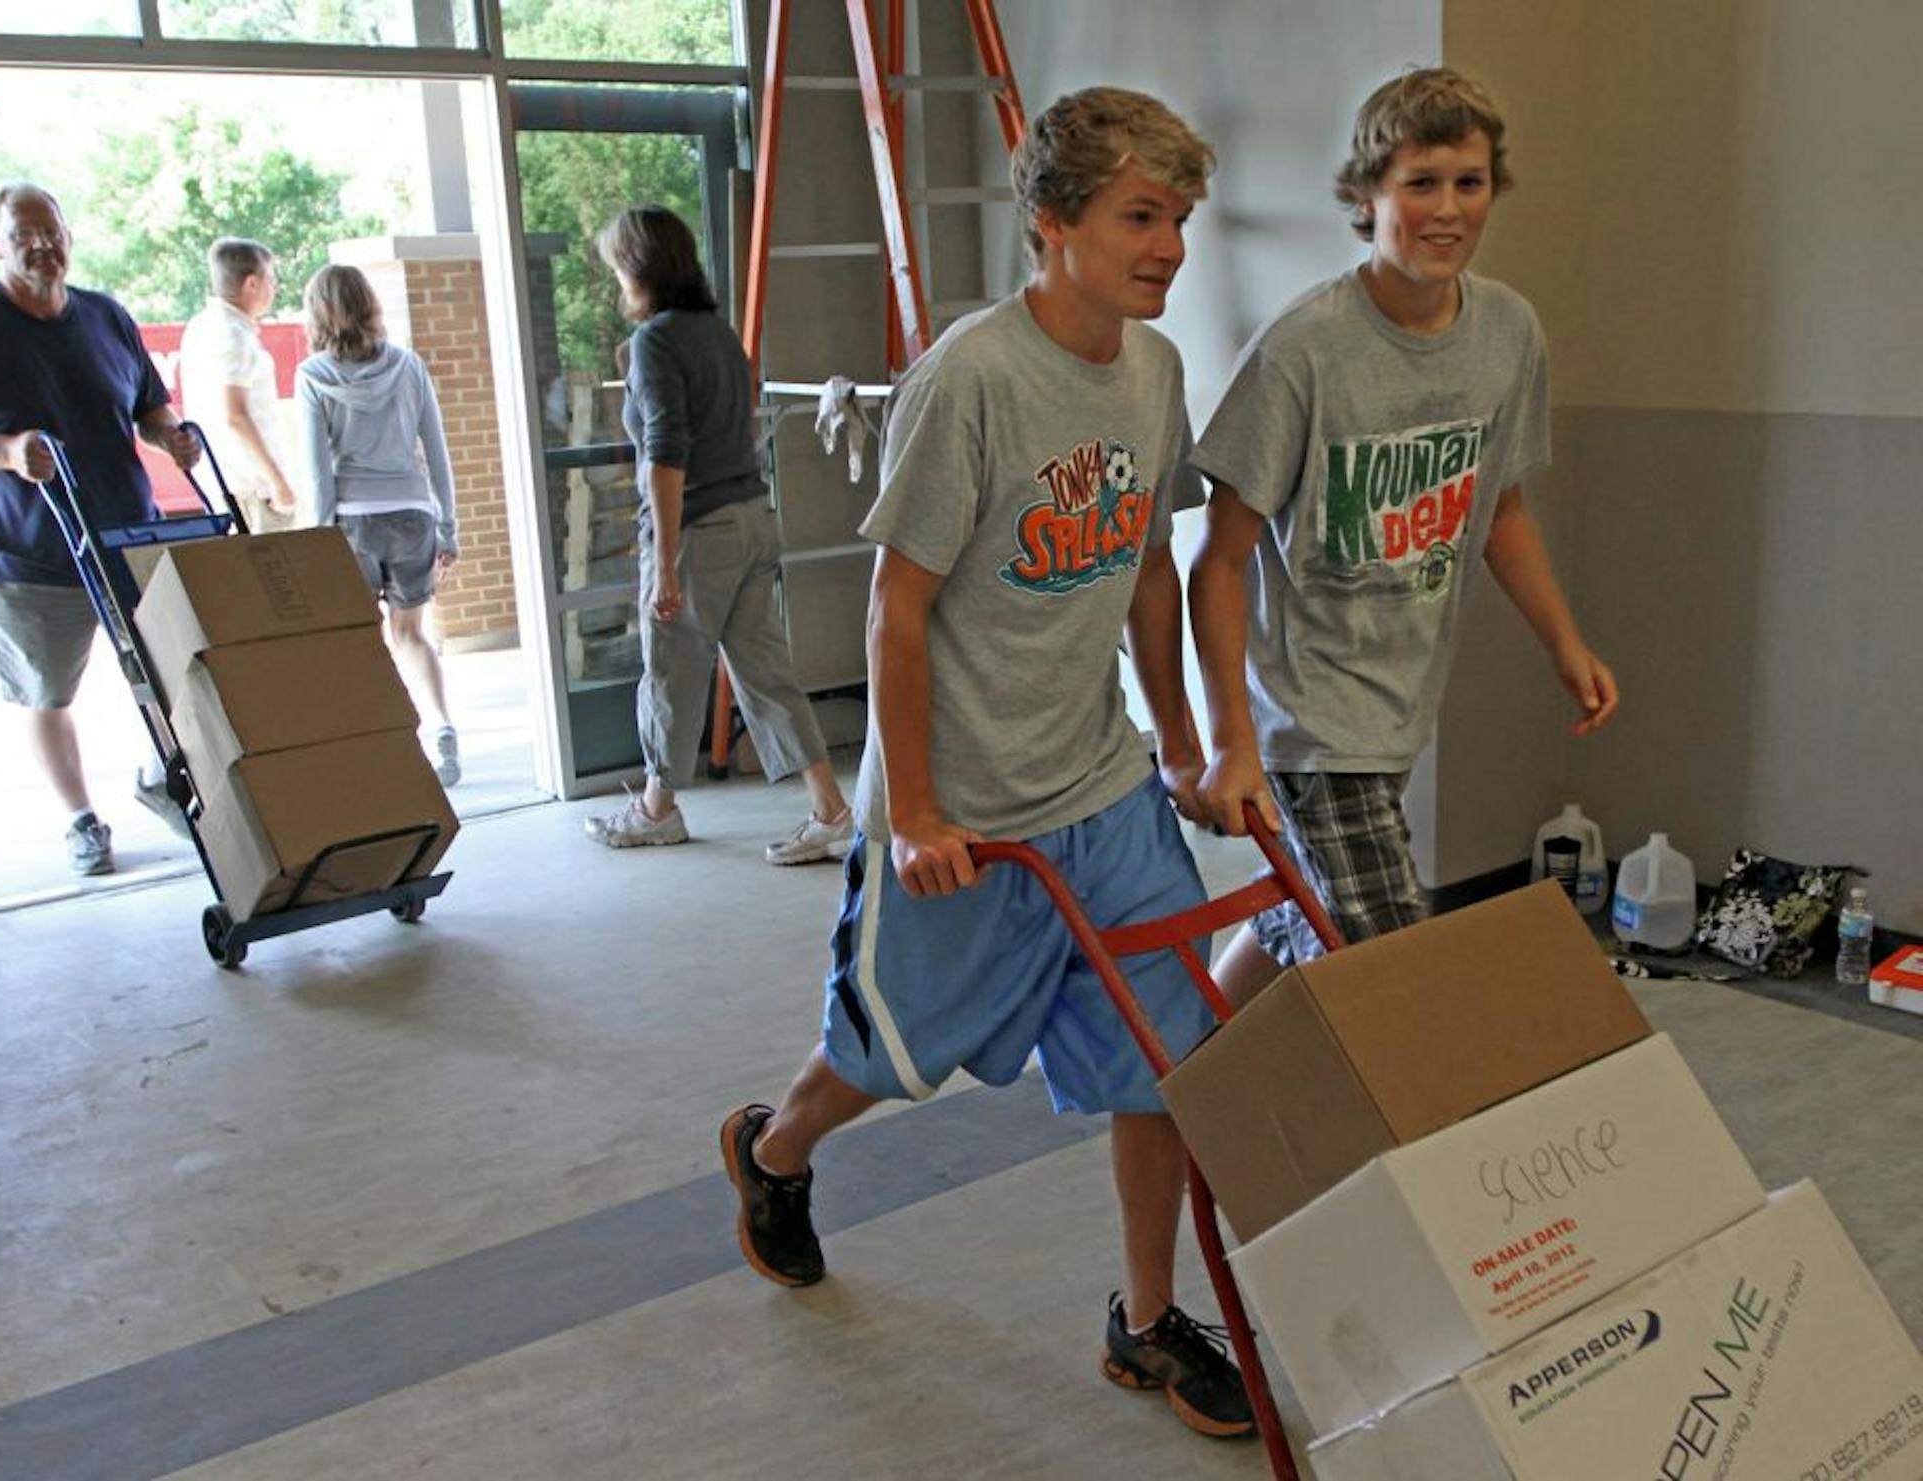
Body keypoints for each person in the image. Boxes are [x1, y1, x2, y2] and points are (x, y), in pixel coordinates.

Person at [719, 90, 1255, 1441]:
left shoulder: (1154, 372)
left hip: (1104, 788)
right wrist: (919, 810)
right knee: (893, 1054)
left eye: (1179, 219)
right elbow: (893, 611)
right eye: (1141, 217)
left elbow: (1141, 571)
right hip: (963, 808)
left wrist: (1180, 748)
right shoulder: (967, 380)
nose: (1169, 248)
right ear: (1054, 223)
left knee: (1164, 1060)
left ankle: (1144, 1319)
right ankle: (774, 1151)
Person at [1188, 68, 1619, 1003]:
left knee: (1301, 919)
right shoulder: (1304, 349)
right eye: (1420, 183)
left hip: (1399, 703)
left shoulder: (1508, 332)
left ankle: (1194, 1076)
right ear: (1367, 194)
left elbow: (1497, 508)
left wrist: (1565, 643)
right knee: (1394, 983)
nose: (1448, 209)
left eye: (1468, 182)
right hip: (1307, 721)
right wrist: (1231, 740)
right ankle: (1383, 1149)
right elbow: (1218, 562)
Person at [0, 182, 201, 878]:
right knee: (48, 693)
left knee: (174, 674)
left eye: (52, 231)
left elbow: (150, 408)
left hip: (128, 541)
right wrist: (4, 452)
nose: (43, 245)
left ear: (70, 235)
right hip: (25, 556)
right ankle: (81, 819)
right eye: (24, 234)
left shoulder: (105, 316)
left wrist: (172, 439)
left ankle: (165, 783)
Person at [584, 204, 853, 864]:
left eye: (618, 264)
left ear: (638, 267)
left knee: (670, 673)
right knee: (767, 674)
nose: (615, 277)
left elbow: (666, 450)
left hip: (699, 531)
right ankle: (830, 810)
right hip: (754, 520)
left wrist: (668, 563)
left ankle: (657, 809)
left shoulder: (656, 342)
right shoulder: (716, 332)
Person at [294, 264, 462, 788]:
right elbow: (436, 451)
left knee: (362, 640)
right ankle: (441, 728)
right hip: (412, 513)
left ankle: (384, 744)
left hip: (352, 520)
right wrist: (447, 526)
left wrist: (320, 534)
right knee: (412, 635)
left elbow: (317, 468)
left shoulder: (313, 376)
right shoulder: (408, 366)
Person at [181, 238, 298, 534]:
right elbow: (235, 414)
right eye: (270, 279)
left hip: (229, 484)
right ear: (251, 284)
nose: (275, 288)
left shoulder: (202, 326)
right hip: (250, 490)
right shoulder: (233, 335)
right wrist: (277, 480)